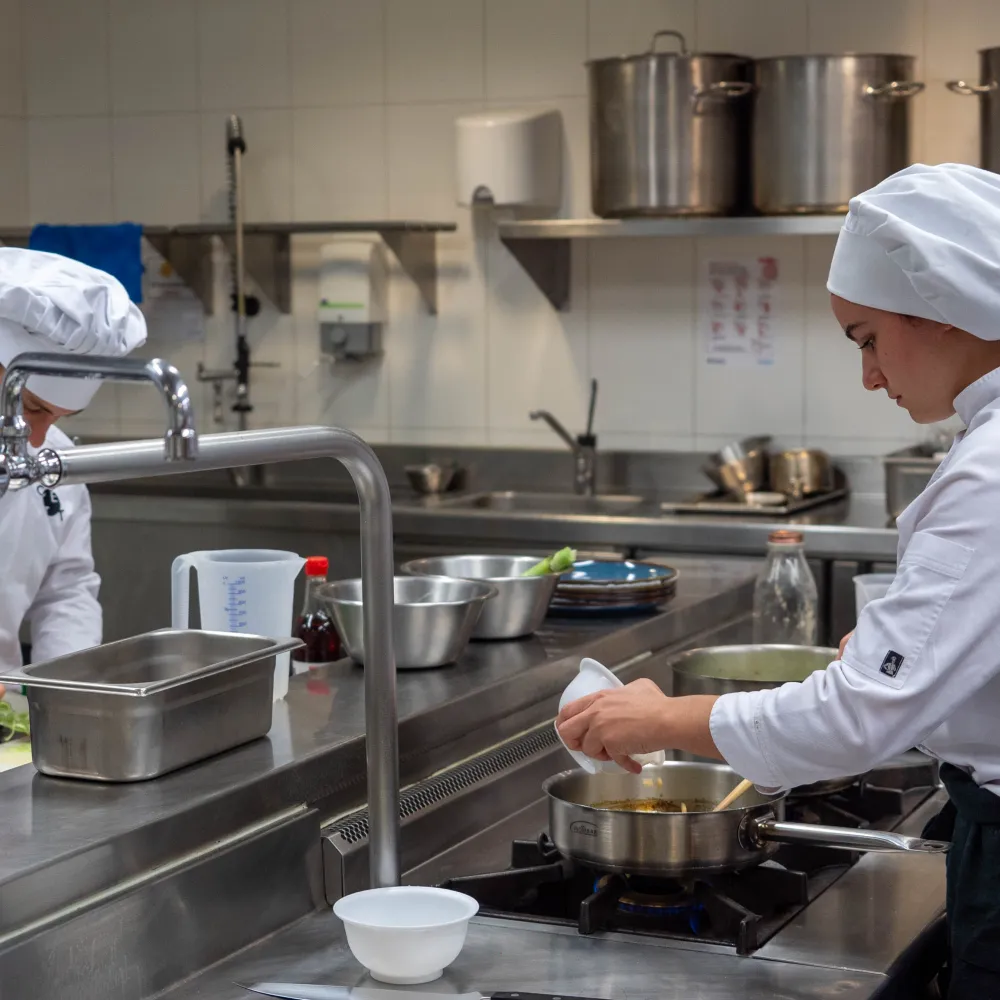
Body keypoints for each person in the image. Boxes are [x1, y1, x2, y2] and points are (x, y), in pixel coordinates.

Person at [557, 162, 1000, 999]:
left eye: (867, 338)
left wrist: (662, 717)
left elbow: (859, 717)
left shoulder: (989, 471)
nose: (869, 375)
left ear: (939, 307)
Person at [0, 248, 147, 680]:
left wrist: (63, 694)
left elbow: (66, 591)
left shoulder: (54, 463)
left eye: (60, 418)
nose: (40, 439)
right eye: (32, 408)